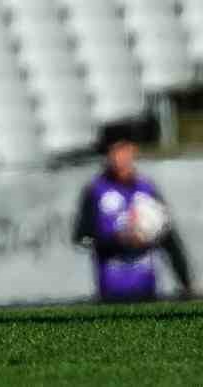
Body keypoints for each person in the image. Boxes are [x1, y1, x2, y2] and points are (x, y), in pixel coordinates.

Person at [74, 123, 192, 303]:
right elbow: (81, 237)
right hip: (111, 292)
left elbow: (169, 240)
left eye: (122, 150)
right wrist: (118, 239)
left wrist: (185, 284)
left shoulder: (147, 189)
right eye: (111, 152)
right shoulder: (95, 190)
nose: (117, 158)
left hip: (147, 290)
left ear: (132, 150)